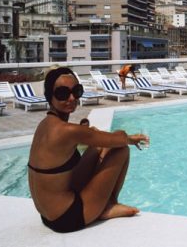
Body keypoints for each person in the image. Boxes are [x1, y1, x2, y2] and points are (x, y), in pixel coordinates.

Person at [28, 66, 148, 233]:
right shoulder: (68, 131)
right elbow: (118, 139)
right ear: (50, 96)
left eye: (76, 91)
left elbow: (97, 139)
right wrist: (130, 138)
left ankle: (103, 203)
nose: (71, 98)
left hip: (47, 214)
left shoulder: (44, 125)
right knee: (121, 150)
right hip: (67, 217)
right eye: (63, 93)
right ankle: (109, 204)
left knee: (99, 145)